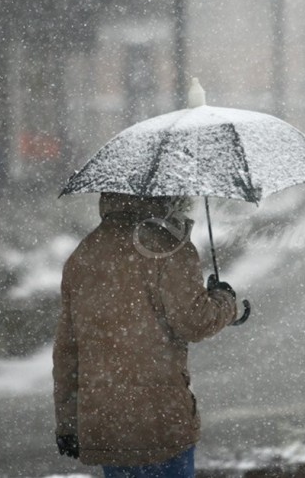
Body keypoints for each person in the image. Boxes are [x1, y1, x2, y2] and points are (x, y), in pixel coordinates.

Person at [53, 192, 237, 478]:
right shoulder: (168, 247)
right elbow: (195, 322)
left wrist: (67, 422)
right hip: (160, 422)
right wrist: (225, 300)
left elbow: (67, 350)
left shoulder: (84, 253)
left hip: (105, 423)